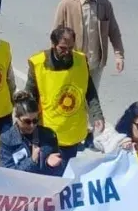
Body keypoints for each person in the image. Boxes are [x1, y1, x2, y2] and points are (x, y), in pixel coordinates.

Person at [24, 25, 102, 153]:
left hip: (73, 132)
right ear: (53, 44)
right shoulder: (38, 64)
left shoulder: (81, 61)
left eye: (71, 48)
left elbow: (90, 91)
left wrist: (97, 115)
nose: (67, 52)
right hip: (48, 132)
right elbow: (30, 96)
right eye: (63, 48)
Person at [52, 0, 125, 94]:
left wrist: (119, 56)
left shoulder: (104, 4)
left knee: (92, 101)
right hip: (73, 63)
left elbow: (114, 31)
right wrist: (54, 61)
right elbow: (55, 34)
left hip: (95, 64)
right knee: (72, 100)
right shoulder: (67, 4)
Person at [0, 92, 61, 174]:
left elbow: (57, 171)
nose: (32, 125)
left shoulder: (49, 135)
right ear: (17, 118)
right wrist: (31, 161)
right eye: (27, 121)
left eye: (35, 120)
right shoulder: (7, 139)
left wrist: (48, 163)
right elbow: (8, 173)